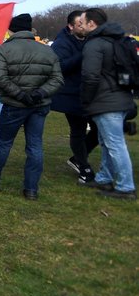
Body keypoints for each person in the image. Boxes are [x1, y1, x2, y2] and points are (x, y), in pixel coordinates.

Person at [0, 14, 63, 199]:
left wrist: (22, 95)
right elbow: (57, 79)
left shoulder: (3, 50)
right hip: (38, 104)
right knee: (35, 146)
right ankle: (31, 189)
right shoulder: (47, 50)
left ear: (11, 30)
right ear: (30, 29)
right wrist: (40, 93)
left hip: (16, 104)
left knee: (3, 144)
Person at [79, 8, 136, 200]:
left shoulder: (95, 44)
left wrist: (86, 99)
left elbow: (90, 75)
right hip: (121, 97)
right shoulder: (118, 40)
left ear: (92, 24)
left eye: (83, 22)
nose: (81, 25)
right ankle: (104, 177)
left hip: (106, 100)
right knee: (107, 142)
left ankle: (126, 186)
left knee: (115, 144)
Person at [50, 10, 99, 184]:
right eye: (80, 24)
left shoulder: (90, 40)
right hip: (70, 94)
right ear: (71, 26)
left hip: (89, 93)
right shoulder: (60, 43)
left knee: (98, 129)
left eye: (86, 23)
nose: (84, 27)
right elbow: (60, 67)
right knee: (78, 130)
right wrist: (83, 54)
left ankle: (78, 158)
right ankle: (84, 168)